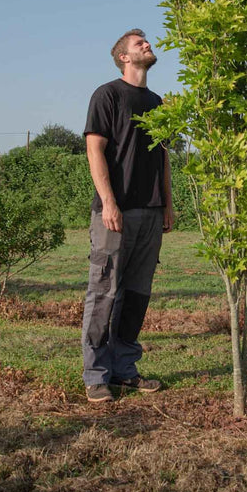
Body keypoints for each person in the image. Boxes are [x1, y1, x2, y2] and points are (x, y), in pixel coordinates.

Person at [81, 28, 174, 403]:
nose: (147, 45)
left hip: (151, 213)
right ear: (124, 56)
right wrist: (109, 203)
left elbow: (164, 157)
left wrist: (167, 203)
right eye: (139, 43)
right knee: (104, 292)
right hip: (115, 213)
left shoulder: (158, 103)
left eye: (146, 42)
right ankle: (96, 375)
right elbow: (94, 151)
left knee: (136, 296)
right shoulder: (107, 95)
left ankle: (123, 369)